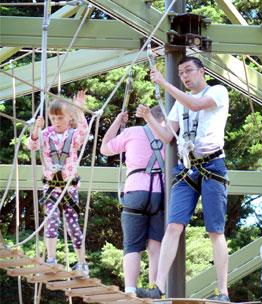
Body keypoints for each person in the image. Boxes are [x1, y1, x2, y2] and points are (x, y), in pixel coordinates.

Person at [135, 56, 230, 301]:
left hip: (212, 165)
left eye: (189, 71)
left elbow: (198, 106)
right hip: (187, 168)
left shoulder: (218, 91)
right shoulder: (179, 103)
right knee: (173, 226)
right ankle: (158, 285)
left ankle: (223, 290)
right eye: (181, 73)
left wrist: (166, 84)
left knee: (215, 231)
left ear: (202, 72)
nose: (185, 76)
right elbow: (168, 136)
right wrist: (148, 118)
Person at [100, 106, 166, 294]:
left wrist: (117, 122)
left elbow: (104, 148)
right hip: (159, 194)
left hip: (135, 191)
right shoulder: (169, 136)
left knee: (132, 246)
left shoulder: (132, 132)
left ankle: (130, 289)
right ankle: (155, 289)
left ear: (149, 117)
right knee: (156, 245)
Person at [27, 91, 89, 277]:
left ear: (69, 118)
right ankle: (51, 259)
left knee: (73, 226)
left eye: (60, 117)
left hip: (69, 189)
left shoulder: (73, 135)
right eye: (53, 117)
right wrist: (36, 129)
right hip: (52, 188)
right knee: (51, 221)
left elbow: (84, 132)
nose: (56, 121)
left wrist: (79, 110)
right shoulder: (46, 134)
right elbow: (32, 146)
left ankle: (82, 263)